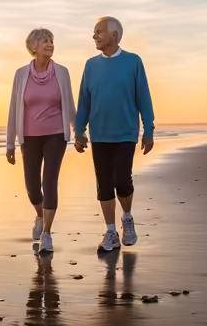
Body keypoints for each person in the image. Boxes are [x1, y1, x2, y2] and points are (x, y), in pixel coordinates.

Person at [74, 17, 155, 252]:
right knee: (104, 185)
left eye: (99, 32)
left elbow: (144, 97)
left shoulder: (133, 62)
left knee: (122, 179)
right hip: (99, 134)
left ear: (115, 36)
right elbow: (84, 100)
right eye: (94, 32)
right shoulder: (90, 65)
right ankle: (110, 231)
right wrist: (79, 131)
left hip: (125, 132)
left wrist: (148, 129)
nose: (94, 36)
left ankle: (127, 218)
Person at [6, 28, 76, 253]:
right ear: (33, 47)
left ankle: (47, 232)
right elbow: (13, 110)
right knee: (32, 188)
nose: (50, 44)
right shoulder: (21, 74)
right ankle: (39, 215)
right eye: (45, 40)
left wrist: (81, 132)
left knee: (50, 181)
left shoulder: (62, 73)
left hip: (56, 134)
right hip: (29, 137)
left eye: (52, 40)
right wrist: (10, 143)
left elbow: (70, 105)